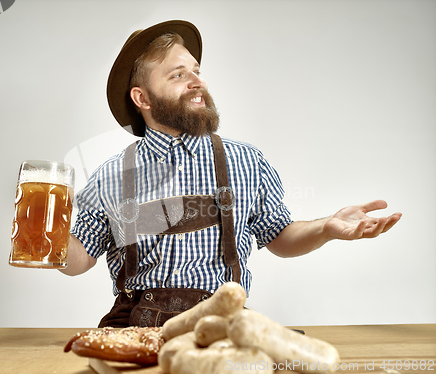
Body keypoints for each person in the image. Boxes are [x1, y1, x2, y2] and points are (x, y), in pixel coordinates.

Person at [60, 20, 401, 327]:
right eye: (178, 75)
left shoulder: (246, 161)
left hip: (222, 325)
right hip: (135, 327)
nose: (197, 82)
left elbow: (280, 237)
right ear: (142, 98)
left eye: (196, 70)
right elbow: (79, 260)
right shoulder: (110, 176)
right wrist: (44, 238)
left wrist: (326, 228)